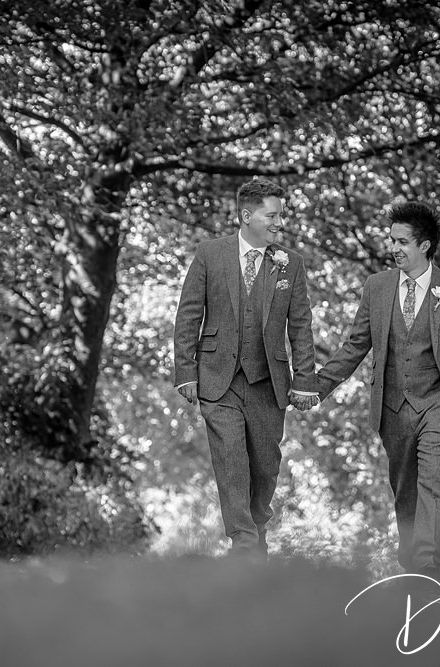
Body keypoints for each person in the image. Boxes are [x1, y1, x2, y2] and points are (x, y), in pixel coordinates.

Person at [315, 201, 440, 579]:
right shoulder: (376, 288)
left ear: (424, 246)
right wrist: (318, 388)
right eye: (391, 240)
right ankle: (412, 564)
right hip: (392, 406)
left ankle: (426, 562)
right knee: (405, 490)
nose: (393, 248)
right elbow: (354, 346)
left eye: (402, 241)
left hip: (438, 403)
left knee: (433, 480)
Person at [173, 178, 319, 560]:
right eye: (272, 216)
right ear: (246, 215)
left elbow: (300, 325)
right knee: (231, 459)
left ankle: (257, 529)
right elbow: (188, 314)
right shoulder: (210, 253)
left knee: (265, 465)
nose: (278, 224)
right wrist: (185, 372)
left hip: (268, 381)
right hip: (216, 378)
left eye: (280, 216)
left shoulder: (291, 263)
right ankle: (244, 542)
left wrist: (305, 380)